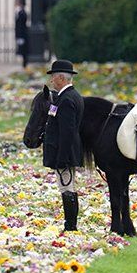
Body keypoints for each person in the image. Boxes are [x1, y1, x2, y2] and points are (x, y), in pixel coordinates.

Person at [43, 59, 85, 231]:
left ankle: (70, 225)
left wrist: (61, 157)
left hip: (64, 153)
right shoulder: (70, 96)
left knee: (66, 188)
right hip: (66, 152)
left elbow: (67, 132)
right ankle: (71, 223)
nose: (52, 81)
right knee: (69, 187)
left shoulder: (66, 99)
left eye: (53, 77)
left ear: (61, 78)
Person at [15, 0, 29, 68]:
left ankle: (25, 65)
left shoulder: (22, 12)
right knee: (23, 51)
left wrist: (19, 35)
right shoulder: (20, 11)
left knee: (24, 51)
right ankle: (24, 64)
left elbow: (20, 25)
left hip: (22, 34)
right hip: (21, 34)